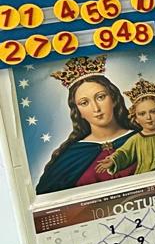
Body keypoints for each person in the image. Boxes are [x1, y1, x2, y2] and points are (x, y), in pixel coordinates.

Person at [36, 62, 137, 193]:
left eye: (100, 97)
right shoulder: (71, 157)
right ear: (78, 111)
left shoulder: (144, 138)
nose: (96, 108)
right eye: (84, 103)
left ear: (114, 99)